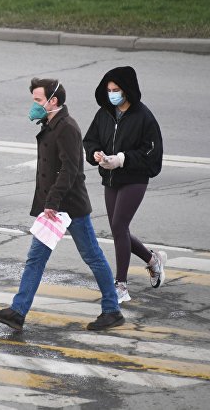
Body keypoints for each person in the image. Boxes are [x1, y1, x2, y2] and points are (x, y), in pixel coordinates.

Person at [0, 78, 124, 331]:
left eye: (38, 100)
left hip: (69, 206)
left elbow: (71, 169)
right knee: (35, 260)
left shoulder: (67, 127)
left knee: (92, 256)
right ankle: (17, 312)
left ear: (53, 101)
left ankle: (112, 310)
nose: (34, 105)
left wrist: (53, 201)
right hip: (53, 207)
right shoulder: (51, 124)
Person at [83, 66, 165, 304]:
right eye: (109, 90)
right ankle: (152, 260)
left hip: (134, 179)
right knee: (120, 231)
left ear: (127, 90)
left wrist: (122, 159)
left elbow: (151, 152)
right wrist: (96, 154)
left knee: (119, 226)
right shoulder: (104, 113)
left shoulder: (144, 116)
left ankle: (121, 286)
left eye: (116, 89)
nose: (112, 94)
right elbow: (90, 140)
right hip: (111, 178)